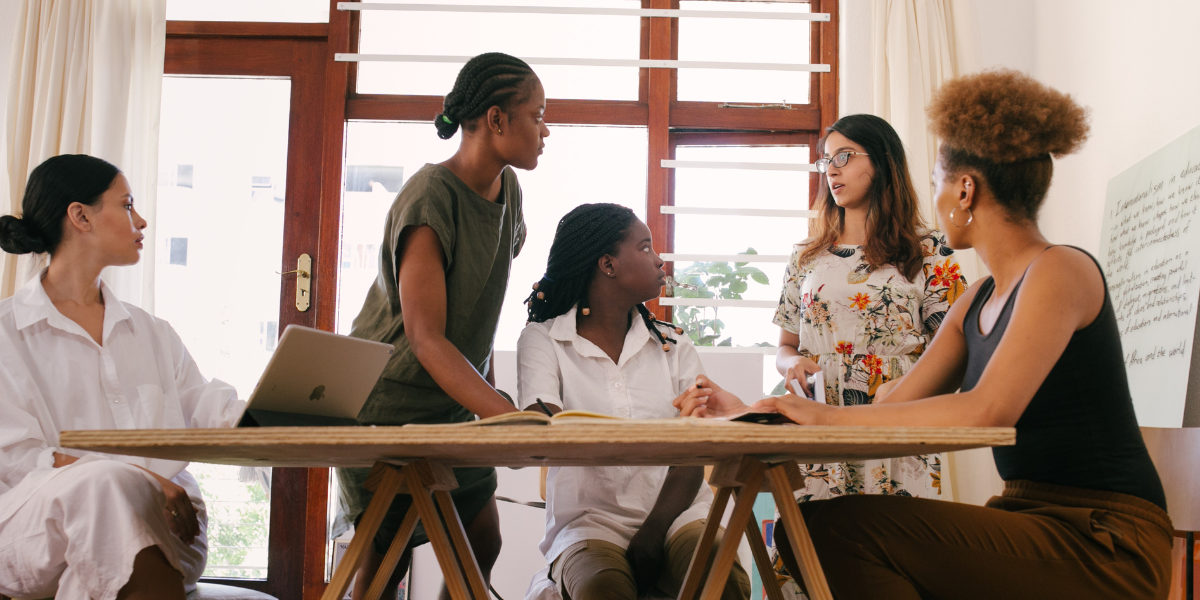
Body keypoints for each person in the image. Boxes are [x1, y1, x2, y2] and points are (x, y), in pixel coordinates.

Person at [682, 70, 1173, 599]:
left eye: (938, 181)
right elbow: (888, 411)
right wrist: (750, 413)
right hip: (1029, 518)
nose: (934, 198)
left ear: (965, 189)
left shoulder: (1060, 270)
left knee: (833, 535)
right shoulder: (978, 299)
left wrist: (825, 415)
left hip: (1103, 538)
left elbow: (988, 410)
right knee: (812, 536)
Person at [335, 52, 549, 599]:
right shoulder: (431, 195)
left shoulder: (510, 192)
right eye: (538, 115)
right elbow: (425, 337)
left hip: (451, 404)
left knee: (482, 540)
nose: (546, 130)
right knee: (384, 563)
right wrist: (505, 418)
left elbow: (481, 309)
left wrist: (491, 409)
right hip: (389, 406)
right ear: (497, 120)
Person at [0, 155, 245, 600]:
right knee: (107, 487)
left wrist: (290, 408)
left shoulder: (151, 332)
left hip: (169, 530)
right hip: (34, 534)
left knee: (106, 553)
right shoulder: (5, 335)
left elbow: (209, 408)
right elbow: (20, 461)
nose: (142, 219)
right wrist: (144, 479)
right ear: (80, 216)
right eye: (128, 204)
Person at [769, 113, 967, 592]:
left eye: (844, 157)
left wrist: (906, 389)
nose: (831, 170)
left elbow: (957, 349)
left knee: (891, 561)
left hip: (896, 423)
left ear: (880, 163)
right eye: (826, 161)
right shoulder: (805, 256)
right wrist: (791, 363)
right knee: (812, 558)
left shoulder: (929, 249)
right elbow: (784, 346)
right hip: (818, 423)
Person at [517, 203, 750, 600]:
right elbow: (548, 434)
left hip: (678, 516)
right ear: (608, 264)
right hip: (589, 523)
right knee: (601, 590)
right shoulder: (544, 340)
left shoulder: (673, 344)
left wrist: (654, 532)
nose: (660, 261)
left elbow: (691, 459)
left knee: (724, 583)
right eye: (645, 247)